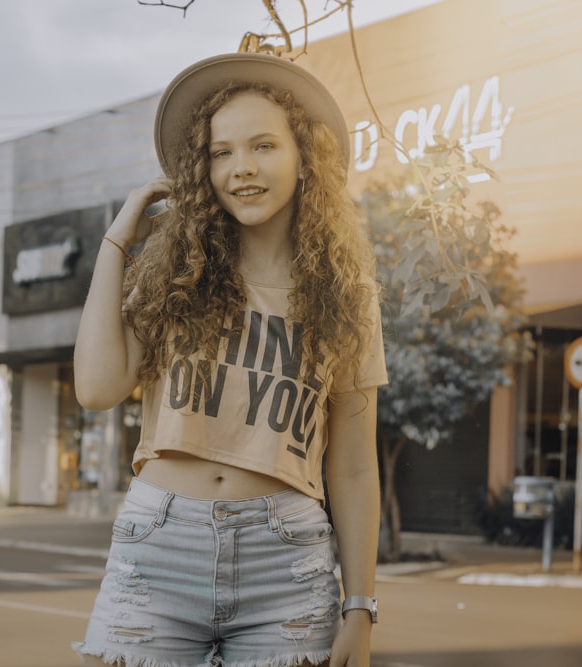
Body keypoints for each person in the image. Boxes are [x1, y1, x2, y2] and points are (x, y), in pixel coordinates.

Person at [73, 52, 388, 667]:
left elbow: (352, 468)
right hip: (159, 548)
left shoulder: (349, 298)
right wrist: (118, 240)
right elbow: (96, 386)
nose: (241, 169)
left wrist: (362, 606)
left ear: (304, 158)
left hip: (287, 566)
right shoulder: (176, 276)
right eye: (222, 153)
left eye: (264, 146)